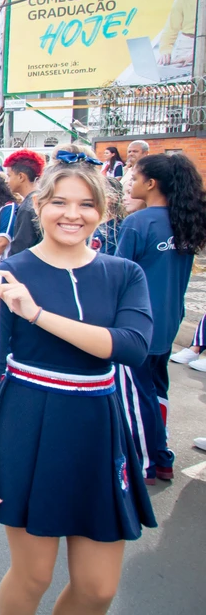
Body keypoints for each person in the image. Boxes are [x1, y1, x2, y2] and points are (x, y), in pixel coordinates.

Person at [0, 146, 156, 615]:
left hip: (98, 426)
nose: (72, 214)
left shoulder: (124, 273)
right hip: (27, 423)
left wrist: (37, 314)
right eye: (59, 201)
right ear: (38, 206)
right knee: (33, 574)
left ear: (103, 211)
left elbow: (131, 346)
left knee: (98, 588)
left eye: (86, 204)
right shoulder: (10, 273)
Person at [118, 151, 206, 484]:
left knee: (136, 396)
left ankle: (149, 462)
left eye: (135, 177)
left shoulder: (137, 223)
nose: (131, 182)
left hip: (136, 324)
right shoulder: (185, 219)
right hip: (169, 320)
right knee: (157, 387)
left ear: (151, 183)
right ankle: (162, 453)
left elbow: (117, 276)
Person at [5, 149, 46, 256]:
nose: (6, 181)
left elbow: (21, 248)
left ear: (21, 177)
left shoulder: (29, 207)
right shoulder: (39, 199)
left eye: (9, 176)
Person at [121, 140, 150, 214]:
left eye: (135, 151)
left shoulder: (148, 172)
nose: (131, 154)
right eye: (129, 151)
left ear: (145, 153)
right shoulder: (126, 171)